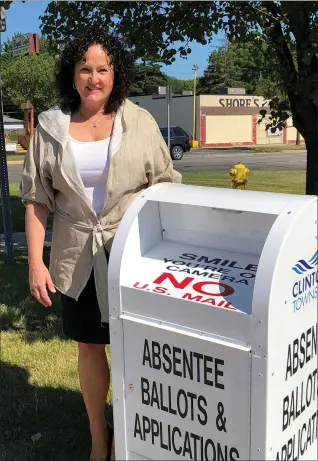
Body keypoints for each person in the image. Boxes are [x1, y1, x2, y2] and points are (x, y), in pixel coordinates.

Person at [20, 26, 181, 461]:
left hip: (133, 253)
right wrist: (36, 262)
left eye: (103, 69)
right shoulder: (52, 127)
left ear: (117, 73)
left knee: (137, 345)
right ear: (72, 74)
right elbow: (37, 199)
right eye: (85, 68)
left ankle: (137, 430)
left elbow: (166, 186)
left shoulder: (139, 122)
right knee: (89, 344)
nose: (94, 78)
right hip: (77, 256)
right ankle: (99, 436)